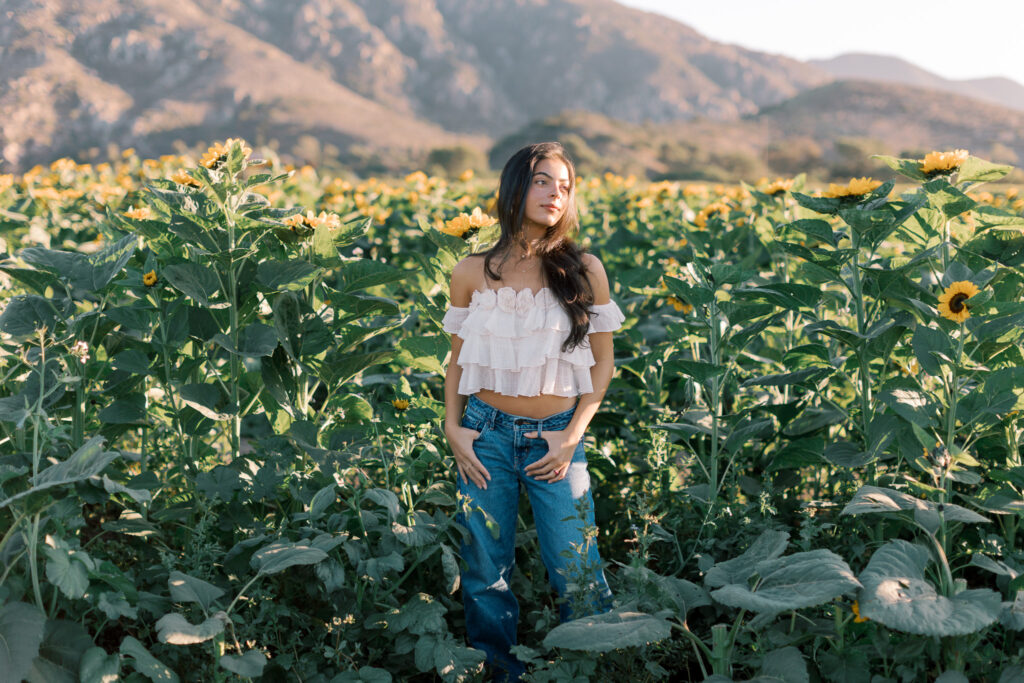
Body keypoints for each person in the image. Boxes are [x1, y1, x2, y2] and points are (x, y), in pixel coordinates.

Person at [441, 142, 625, 681]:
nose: (555, 194)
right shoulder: (472, 271)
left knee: (575, 562)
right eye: (544, 181)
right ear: (516, 186)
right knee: (483, 569)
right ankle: (498, 672)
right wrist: (453, 428)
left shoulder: (583, 269)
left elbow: (603, 365)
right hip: (484, 434)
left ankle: (589, 668)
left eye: (564, 186)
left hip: (557, 437)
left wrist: (572, 436)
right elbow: (456, 362)